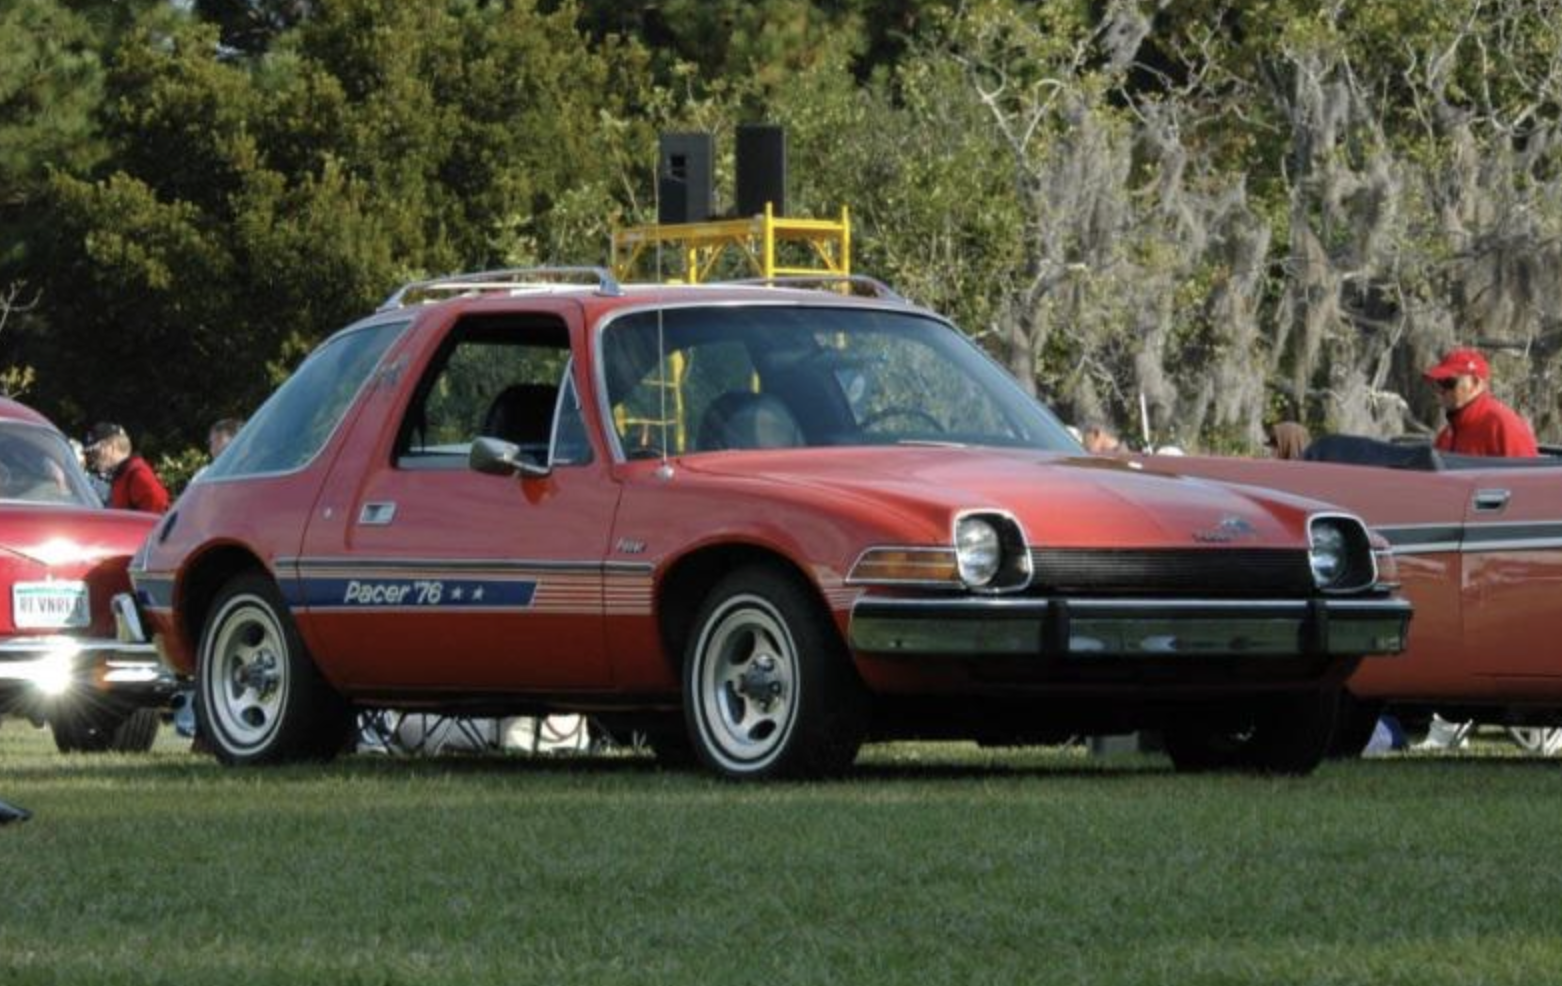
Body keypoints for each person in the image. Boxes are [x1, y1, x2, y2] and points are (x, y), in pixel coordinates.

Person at [1425, 347, 1538, 457]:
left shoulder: (1503, 427)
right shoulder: (1447, 434)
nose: (1440, 391)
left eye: (1448, 382)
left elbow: (1529, 475)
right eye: (1438, 383)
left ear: (1475, 383)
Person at [84, 422, 170, 513]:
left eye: (95, 452)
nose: (93, 458)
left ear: (111, 448)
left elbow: (158, 513)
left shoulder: (136, 473)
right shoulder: (122, 475)